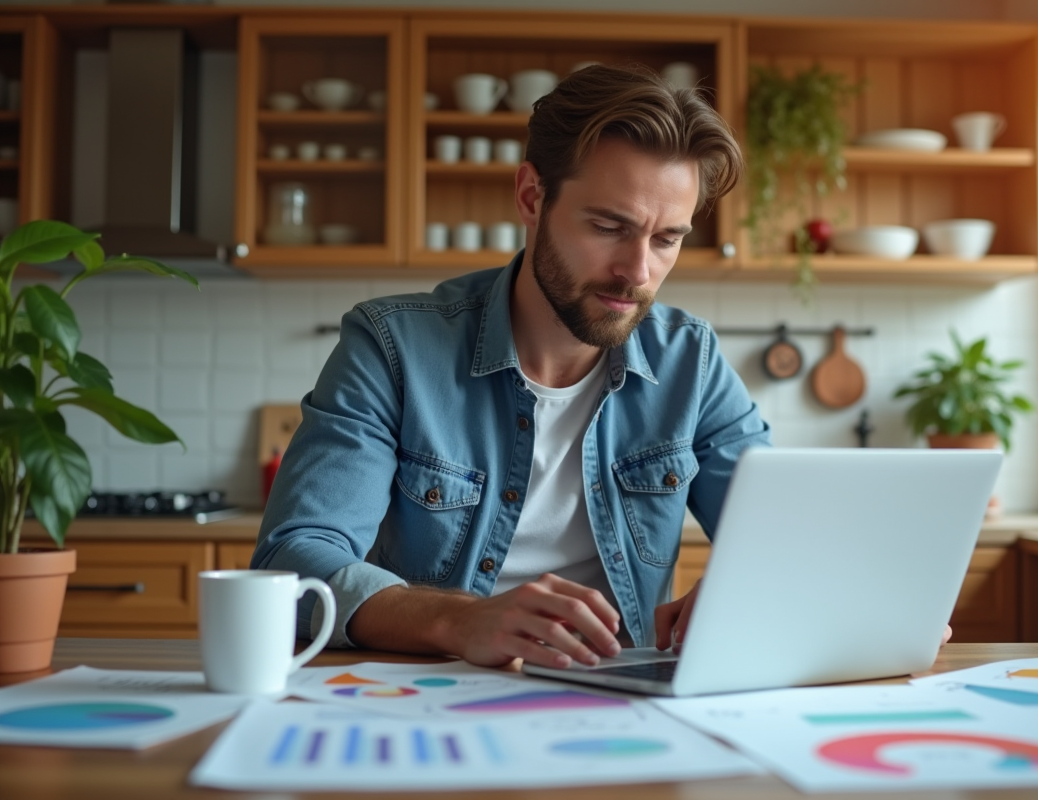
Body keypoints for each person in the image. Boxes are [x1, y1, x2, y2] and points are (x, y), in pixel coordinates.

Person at [253, 64, 947, 669]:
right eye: (608, 226)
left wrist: (776, 594)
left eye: (667, 238)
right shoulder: (393, 347)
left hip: (620, 700)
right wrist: (460, 620)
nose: (637, 272)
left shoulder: (691, 362)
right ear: (531, 197)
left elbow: (788, 542)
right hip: (423, 696)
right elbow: (291, 565)